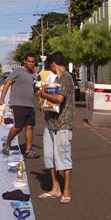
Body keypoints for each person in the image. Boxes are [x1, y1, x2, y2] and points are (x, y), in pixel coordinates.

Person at [36, 52, 75, 204]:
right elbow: (55, 101)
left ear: (53, 63)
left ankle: (66, 191)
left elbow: (59, 98)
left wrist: (43, 95)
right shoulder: (57, 79)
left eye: (50, 65)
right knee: (50, 158)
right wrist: (45, 104)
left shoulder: (66, 77)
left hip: (63, 125)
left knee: (64, 157)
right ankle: (55, 188)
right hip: (51, 123)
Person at [0, 53, 40, 158]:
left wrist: (41, 101)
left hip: (29, 104)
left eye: (33, 62)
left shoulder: (34, 75)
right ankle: (7, 143)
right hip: (18, 103)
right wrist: (2, 98)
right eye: (29, 61)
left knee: (30, 126)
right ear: (25, 61)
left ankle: (28, 150)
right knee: (18, 126)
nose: (31, 64)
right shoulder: (18, 71)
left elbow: (36, 90)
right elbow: (8, 83)